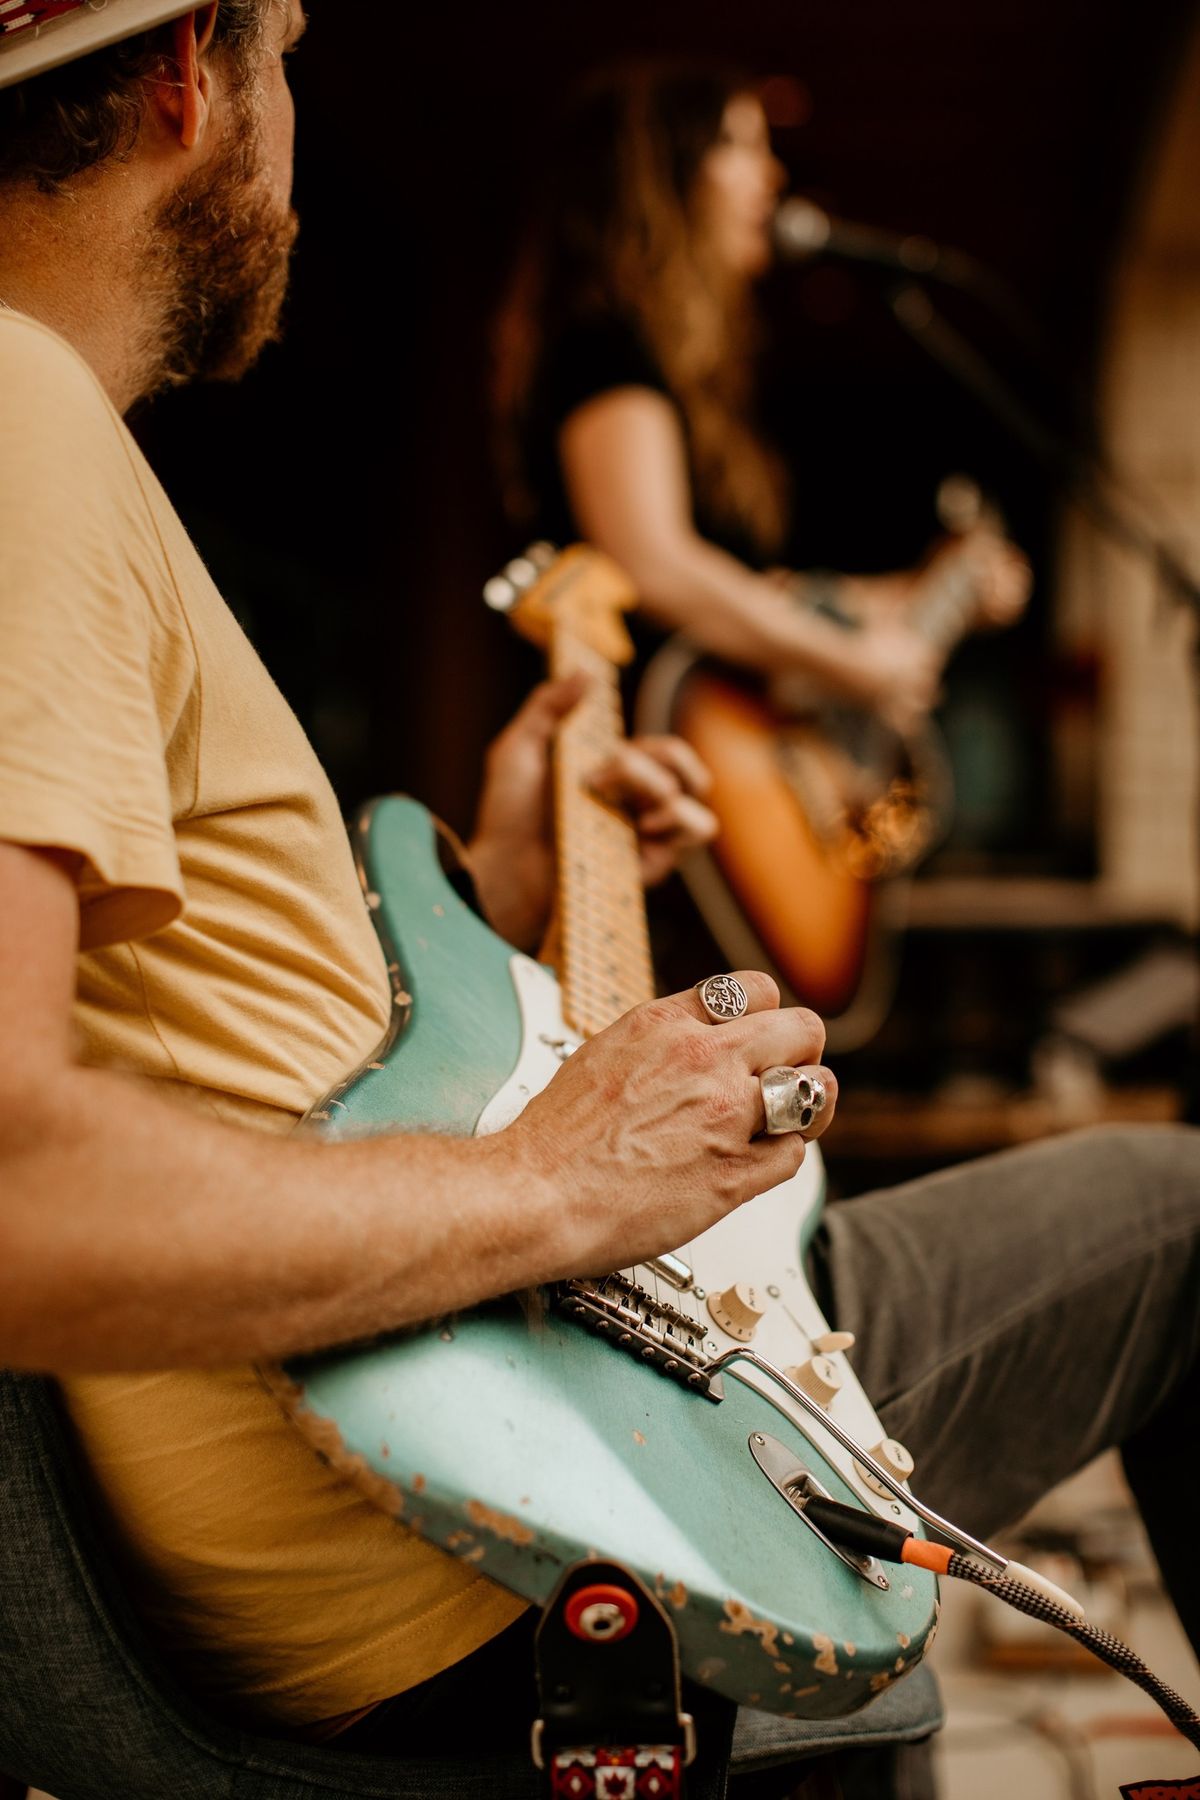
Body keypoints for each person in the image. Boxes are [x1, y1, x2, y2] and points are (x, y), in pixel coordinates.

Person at [0, 8, 1196, 1797]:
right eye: (292, 56)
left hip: (517, 1390)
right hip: (511, 1513)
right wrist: (551, 1177)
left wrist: (487, 894)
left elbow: (215, 1026)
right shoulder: (20, 417)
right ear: (193, 76)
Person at [492, 64, 1031, 739]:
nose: (771, 177)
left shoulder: (682, 373)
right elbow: (653, 562)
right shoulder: (601, 342)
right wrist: (852, 665)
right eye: (740, 146)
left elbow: (758, 595)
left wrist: (934, 590)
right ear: (664, 173)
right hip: (625, 759)